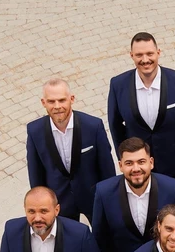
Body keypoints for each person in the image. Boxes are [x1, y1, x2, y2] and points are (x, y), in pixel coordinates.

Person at [107, 32, 175, 178]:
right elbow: (115, 126)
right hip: (139, 172)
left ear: (158, 52)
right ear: (131, 55)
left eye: (149, 54)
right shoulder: (118, 85)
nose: (145, 60)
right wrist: (126, 160)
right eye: (139, 55)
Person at [26, 78, 115, 223]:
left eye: (62, 100)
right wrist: (41, 204)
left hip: (92, 196)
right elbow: (35, 171)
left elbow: (106, 167)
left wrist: (110, 198)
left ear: (71, 99)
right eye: (51, 101)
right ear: (43, 102)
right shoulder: (34, 131)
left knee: (103, 234)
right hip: (59, 201)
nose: (57, 106)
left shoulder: (93, 126)